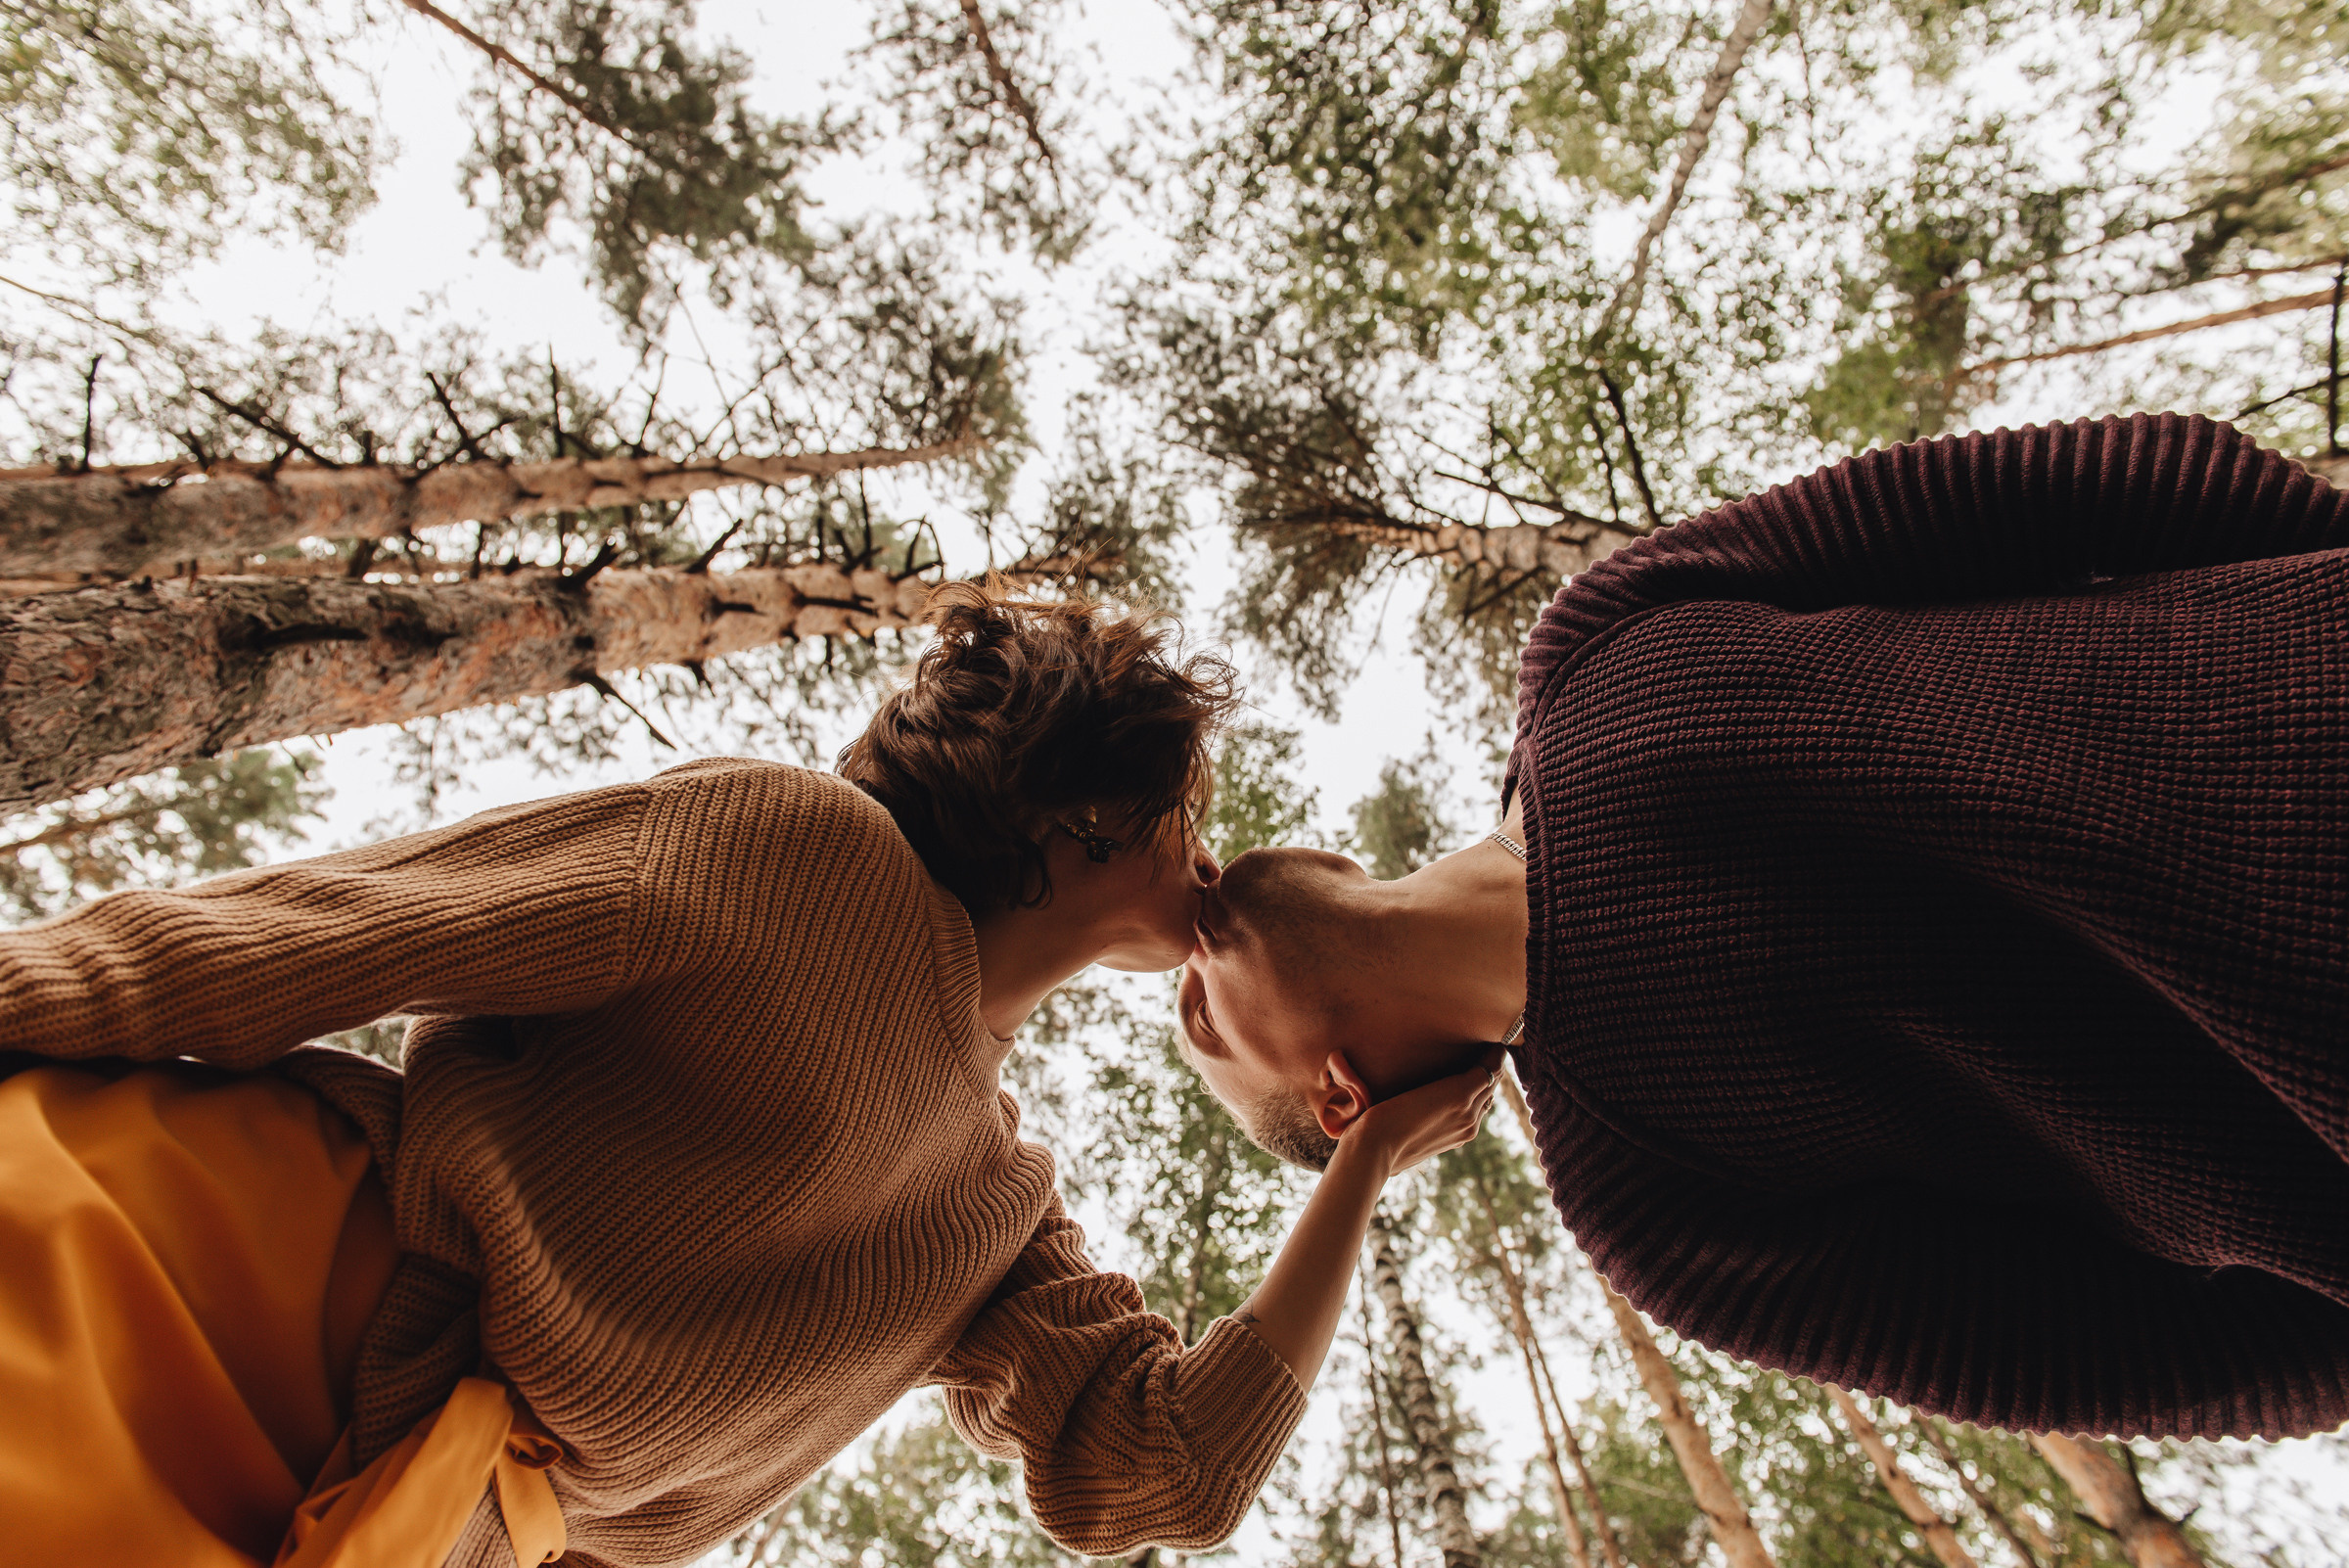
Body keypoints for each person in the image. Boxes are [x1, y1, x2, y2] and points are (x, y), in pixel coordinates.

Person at [0, 582, 1500, 1568]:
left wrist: (1361, 1162)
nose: (1208, 830)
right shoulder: (797, 847)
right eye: (1189, 795)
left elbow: (1174, 1465)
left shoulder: (994, 1217)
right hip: (214, 1268)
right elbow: (326, 932)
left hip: (396, 1526)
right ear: (1084, 801)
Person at [1179, 412, 2349, 1443]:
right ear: (1343, 1098)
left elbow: (2040, 492)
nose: (1179, 954)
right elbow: (2089, 1352)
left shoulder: (1587, 643)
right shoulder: (1648, 1206)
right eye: (1194, 1023)